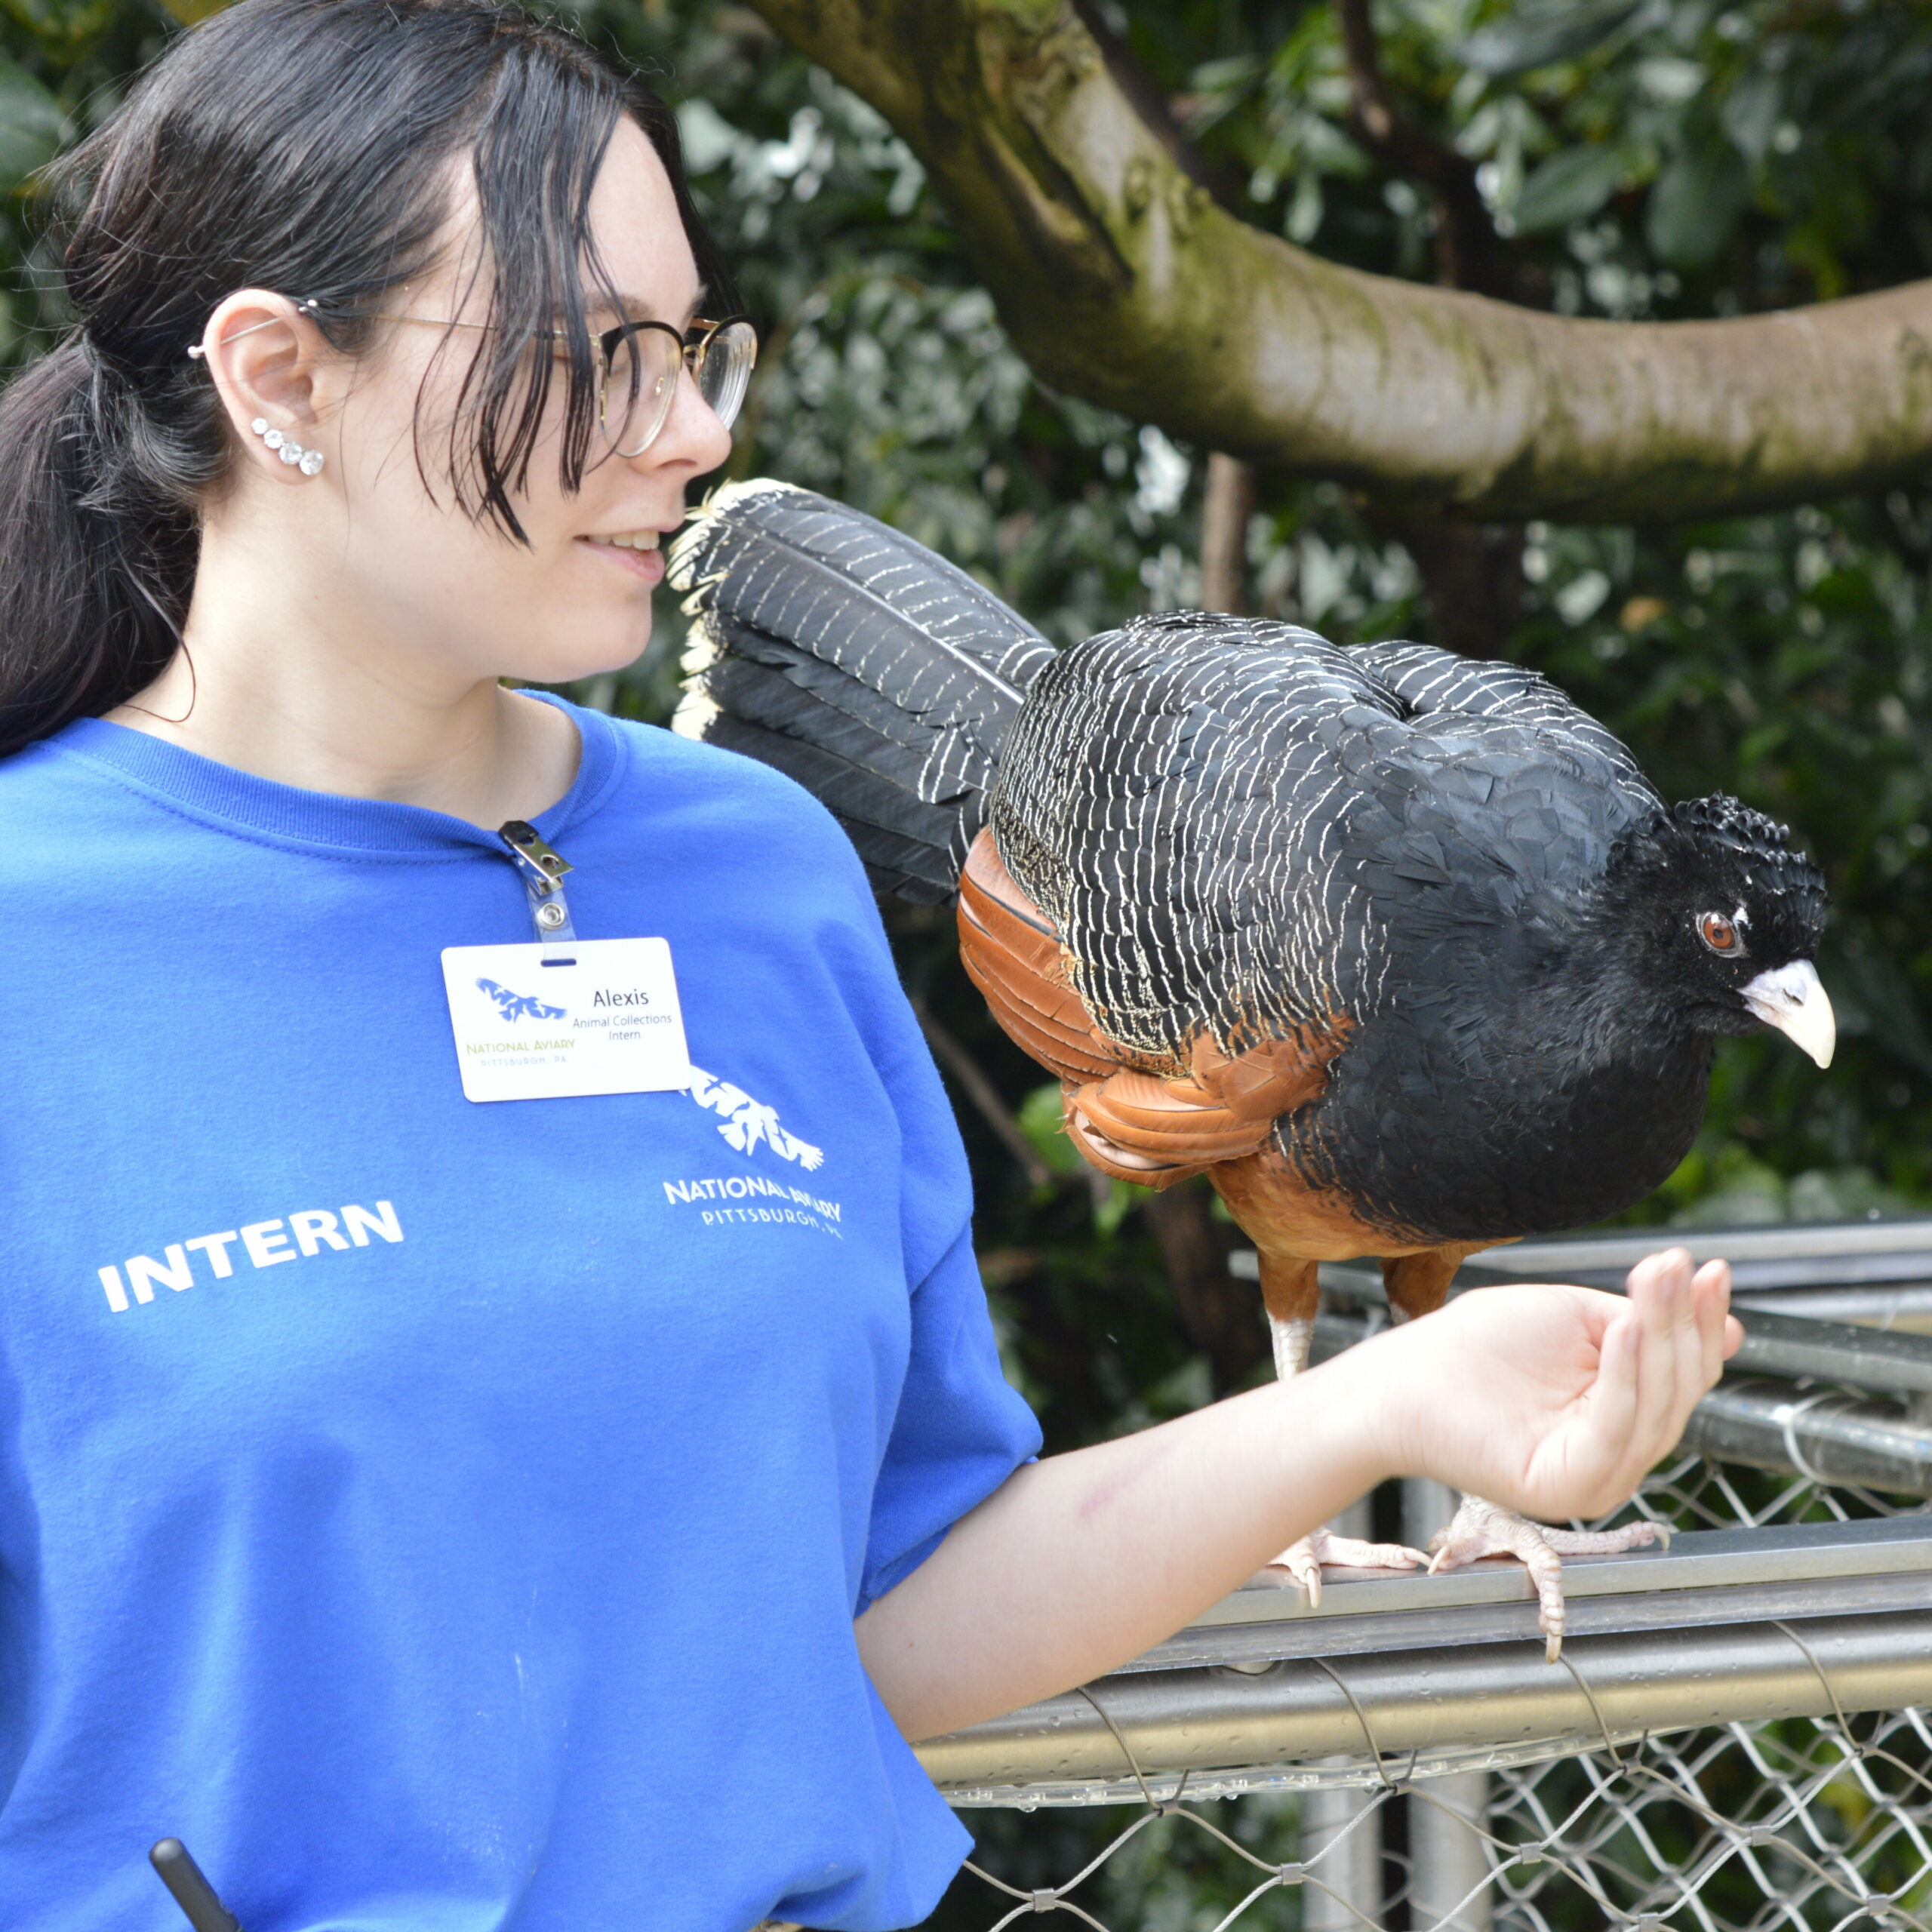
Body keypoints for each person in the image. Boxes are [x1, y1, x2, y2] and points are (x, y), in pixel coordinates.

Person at [0, 0, 1740, 1926]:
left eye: (693, 349)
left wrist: (1390, 1405)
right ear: (279, 376)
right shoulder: (34, 926)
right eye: (595, 354)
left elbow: (884, 1600)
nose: (696, 430)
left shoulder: (752, 869)